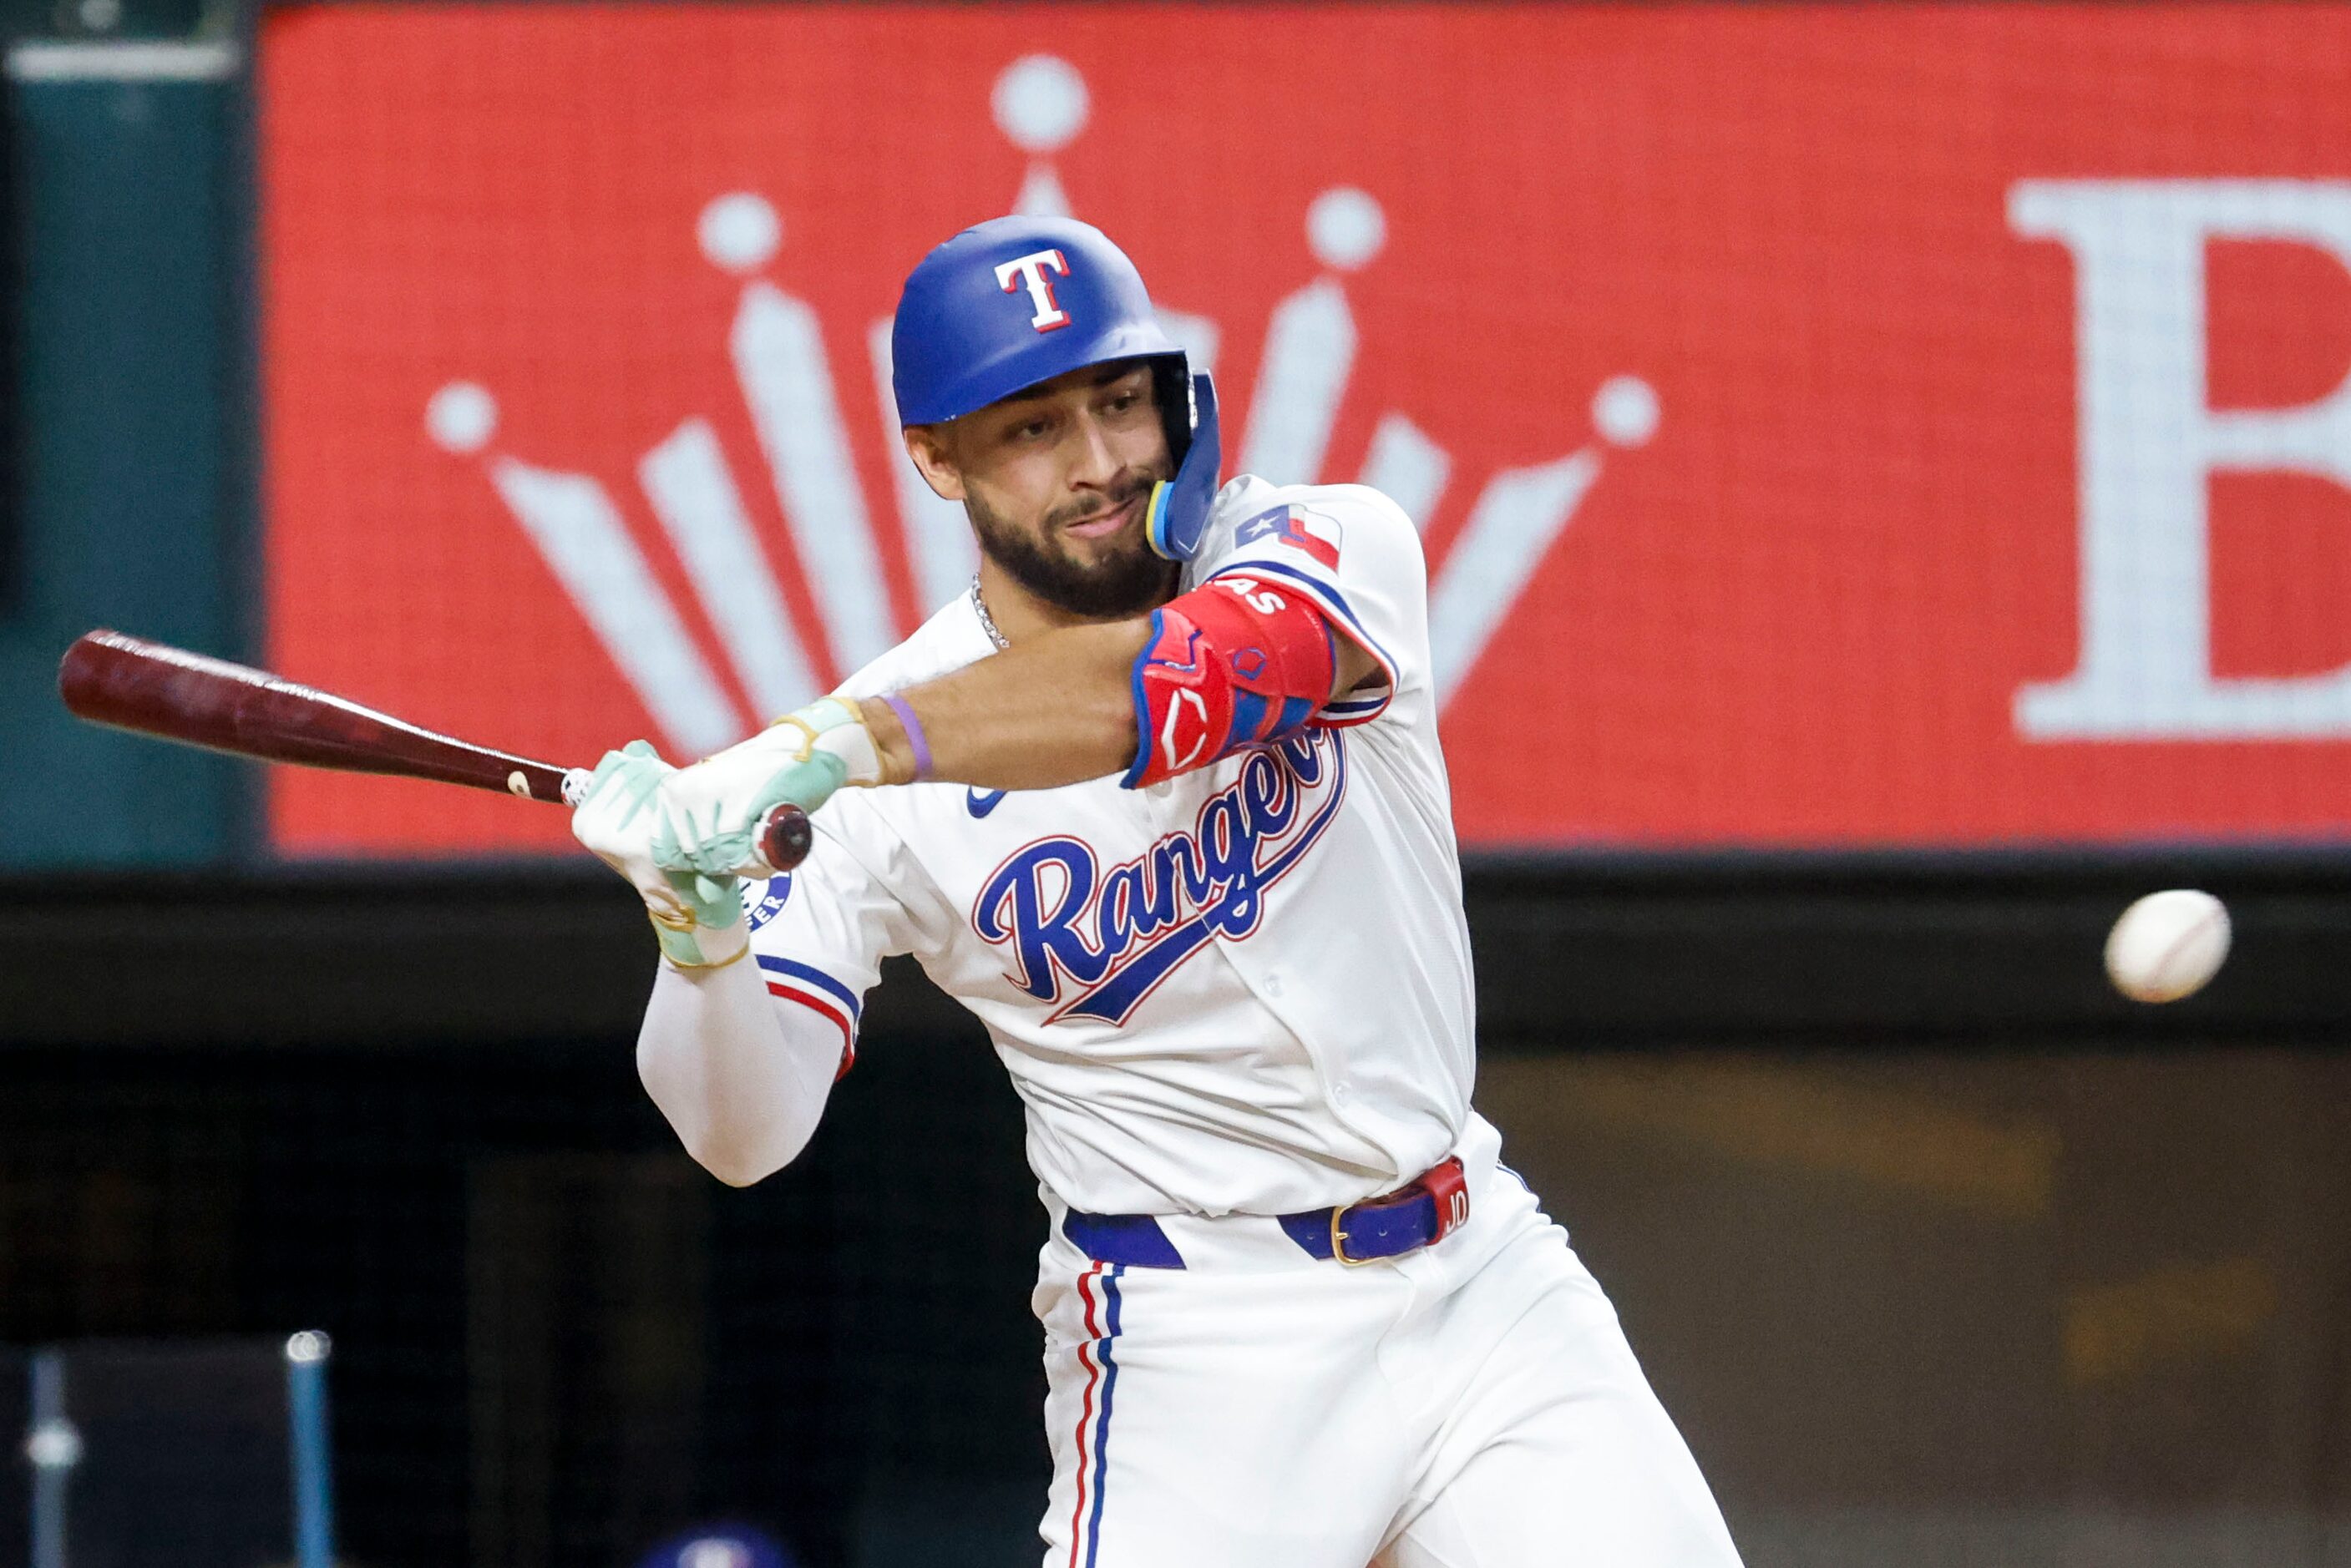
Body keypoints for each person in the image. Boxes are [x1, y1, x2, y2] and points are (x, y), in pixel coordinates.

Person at [573, 215, 1742, 1568]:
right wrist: (698, 929)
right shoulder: (865, 786)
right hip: (1200, 1344)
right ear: (935, 457)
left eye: (1118, 401)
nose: (1100, 462)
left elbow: (1162, 681)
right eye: (1032, 428)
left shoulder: (1326, 544)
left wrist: (831, 743)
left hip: (1481, 1281)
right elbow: (745, 1132)